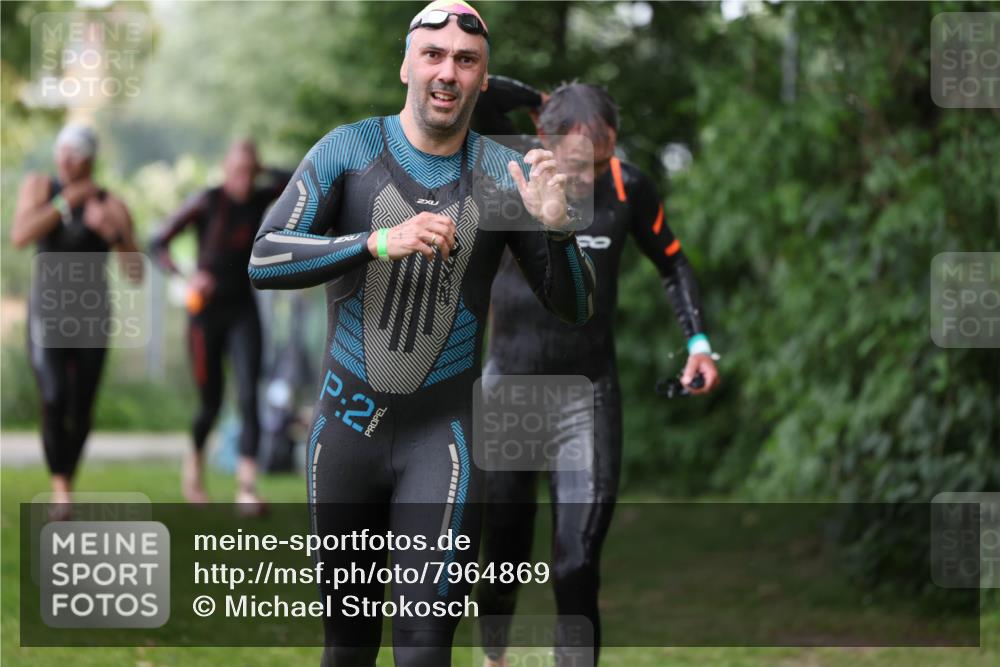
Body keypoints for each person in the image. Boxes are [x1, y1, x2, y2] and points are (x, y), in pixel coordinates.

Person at [248, 2, 595, 665]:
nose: (447, 72)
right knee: (348, 645)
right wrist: (377, 240)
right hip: (344, 437)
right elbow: (263, 258)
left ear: (482, 81)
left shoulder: (505, 173)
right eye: (433, 55)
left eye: (466, 61)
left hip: (445, 442)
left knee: (425, 643)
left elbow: (574, 307)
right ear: (407, 64)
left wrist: (558, 227)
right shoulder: (349, 150)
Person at [474, 81, 721, 666]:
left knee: (577, 562)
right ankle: (494, 657)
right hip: (510, 388)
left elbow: (673, 262)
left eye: (600, 159)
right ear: (542, 137)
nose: (586, 175)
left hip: (586, 397)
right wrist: (534, 94)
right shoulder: (505, 175)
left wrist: (699, 342)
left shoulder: (627, 187)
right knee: (502, 549)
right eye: (574, 162)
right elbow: (473, 95)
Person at [11, 124, 144, 515]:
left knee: (80, 408)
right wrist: (66, 202)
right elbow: (20, 235)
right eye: (61, 152)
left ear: (90, 159)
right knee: (52, 397)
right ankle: (61, 491)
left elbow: (136, 272)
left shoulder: (112, 203)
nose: (65, 160)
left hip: (92, 316)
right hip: (48, 313)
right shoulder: (41, 188)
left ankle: (66, 478)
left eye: (74, 153)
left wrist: (115, 234)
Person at [150, 140, 288, 513]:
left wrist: (262, 168)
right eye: (237, 170)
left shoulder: (260, 197)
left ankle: (246, 487)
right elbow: (157, 242)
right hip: (205, 315)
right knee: (209, 404)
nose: (242, 178)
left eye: (249, 170)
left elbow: (296, 181)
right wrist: (186, 277)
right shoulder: (207, 201)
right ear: (225, 169)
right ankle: (193, 468)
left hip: (243, 309)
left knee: (248, 396)